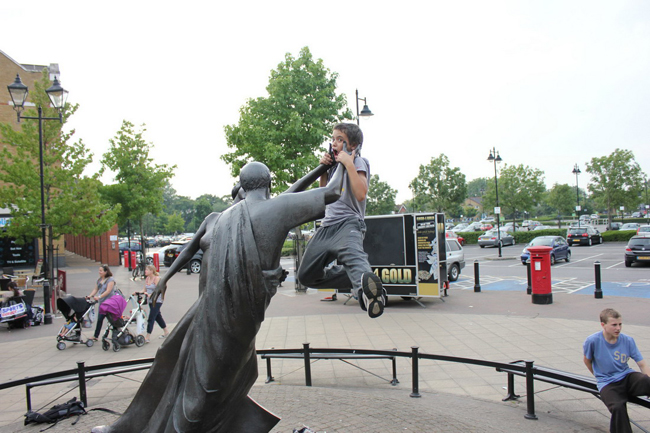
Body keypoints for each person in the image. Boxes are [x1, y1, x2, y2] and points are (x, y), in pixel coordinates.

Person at [93, 160, 344, 433]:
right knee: (170, 355)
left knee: (207, 382)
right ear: (267, 186)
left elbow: (299, 194)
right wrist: (345, 158)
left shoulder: (256, 213)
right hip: (209, 306)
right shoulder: (223, 218)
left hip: (232, 314)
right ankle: (127, 426)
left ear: (243, 187)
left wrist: (329, 164)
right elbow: (325, 193)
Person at [297, 122, 386, 318]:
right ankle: (360, 280)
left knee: (354, 257)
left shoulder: (358, 162)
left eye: (340, 140)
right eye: (333, 139)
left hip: (348, 224)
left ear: (352, 146)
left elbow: (361, 193)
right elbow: (324, 194)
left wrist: (348, 163)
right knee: (306, 275)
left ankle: (370, 295)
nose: (334, 143)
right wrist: (323, 168)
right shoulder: (333, 167)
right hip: (327, 227)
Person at [583, 308, 650, 433]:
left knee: (646, 379)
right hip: (607, 383)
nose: (618, 328)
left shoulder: (628, 340)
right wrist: (598, 375)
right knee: (618, 407)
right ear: (603, 325)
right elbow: (587, 360)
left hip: (626, 376)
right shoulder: (592, 341)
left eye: (620, 324)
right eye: (614, 325)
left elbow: (642, 364)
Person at [133, 265, 169, 343]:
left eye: (147, 270)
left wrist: (151, 294)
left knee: (151, 318)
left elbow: (158, 290)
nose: (145, 271)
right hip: (150, 301)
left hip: (157, 301)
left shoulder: (156, 279)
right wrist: (138, 293)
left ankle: (147, 336)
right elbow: (144, 289)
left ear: (152, 271)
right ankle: (166, 332)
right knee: (157, 316)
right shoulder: (147, 279)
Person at [86, 265, 117, 341]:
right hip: (102, 303)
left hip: (109, 303)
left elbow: (108, 291)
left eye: (101, 271)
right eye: (99, 270)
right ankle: (96, 336)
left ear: (106, 272)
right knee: (100, 319)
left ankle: (116, 334)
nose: (99, 272)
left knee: (112, 320)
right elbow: (96, 289)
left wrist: (99, 297)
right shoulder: (99, 280)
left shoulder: (110, 280)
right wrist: (90, 295)